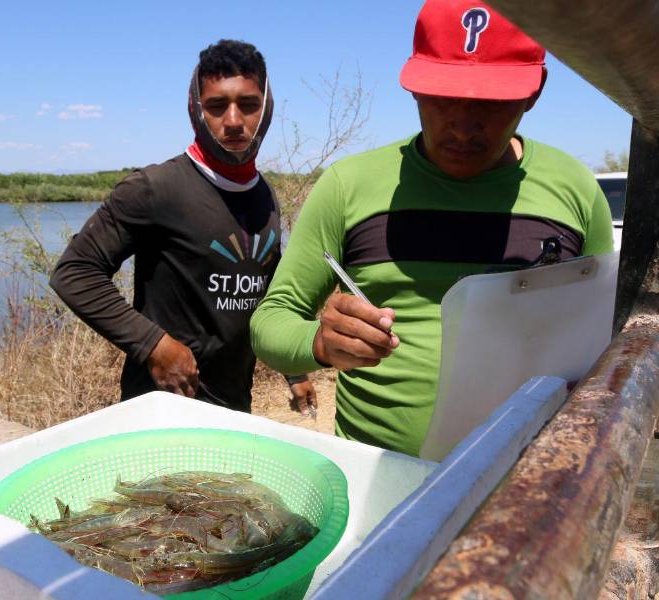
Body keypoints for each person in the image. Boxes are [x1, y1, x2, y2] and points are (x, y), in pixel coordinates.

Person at [250, 0, 613, 456]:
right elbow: (270, 323)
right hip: (379, 475)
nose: (462, 128)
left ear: (533, 92)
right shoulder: (349, 185)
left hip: (526, 476)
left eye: (490, 103)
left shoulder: (574, 188)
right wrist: (320, 342)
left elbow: (611, 330)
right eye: (442, 97)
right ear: (414, 88)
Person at [50, 39, 316, 414]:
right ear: (196, 110)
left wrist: (293, 369)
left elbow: (265, 288)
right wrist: (155, 345)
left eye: (249, 104)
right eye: (217, 106)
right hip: (162, 407)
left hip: (235, 405)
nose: (235, 120)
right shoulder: (156, 188)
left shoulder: (264, 194)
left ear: (266, 108)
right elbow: (74, 272)